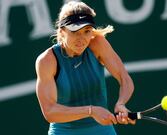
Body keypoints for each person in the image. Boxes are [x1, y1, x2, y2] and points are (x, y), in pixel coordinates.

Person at [35, 1, 135, 135]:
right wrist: (91, 111)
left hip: (103, 131)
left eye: (87, 31)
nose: (81, 39)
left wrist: (121, 103)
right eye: (75, 32)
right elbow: (50, 112)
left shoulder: (98, 44)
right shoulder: (47, 61)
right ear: (62, 31)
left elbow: (124, 78)